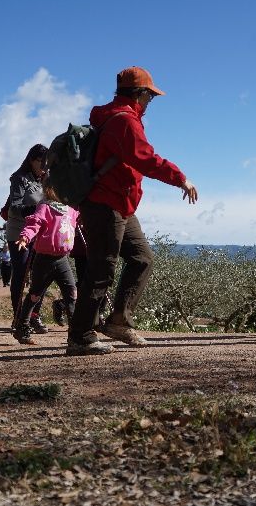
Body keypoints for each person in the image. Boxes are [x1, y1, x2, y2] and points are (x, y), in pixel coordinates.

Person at [67, 66, 198, 356]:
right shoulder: (124, 121)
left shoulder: (119, 118)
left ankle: (118, 319)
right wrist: (180, 178)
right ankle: (80, 335)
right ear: (139, 94)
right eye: (150, 96)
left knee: (141, 258)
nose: (150, 102)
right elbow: (146, 159)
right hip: (105, 203)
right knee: (101, 267)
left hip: (120, 204)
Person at [13, 184, 80, 345]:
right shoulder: (45, 206)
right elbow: (34, 223)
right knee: (35, 294)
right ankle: (22, 328)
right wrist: (25, 237)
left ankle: (75, 334)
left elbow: (79, 222)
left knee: (72, 293)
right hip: (44, 259)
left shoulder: (71, 209)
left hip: (63, 259)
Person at [6, 144, 49, 335]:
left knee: (42, 275)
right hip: (19, 232)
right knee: (21, 273)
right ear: (32, 159)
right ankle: (18, 317)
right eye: (41, 161)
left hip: (40, 234)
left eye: (47, 162)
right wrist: (38, 212)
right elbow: (14, 206)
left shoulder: (45, 180)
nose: (44, 165)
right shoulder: (19, 178)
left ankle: (33, 316)